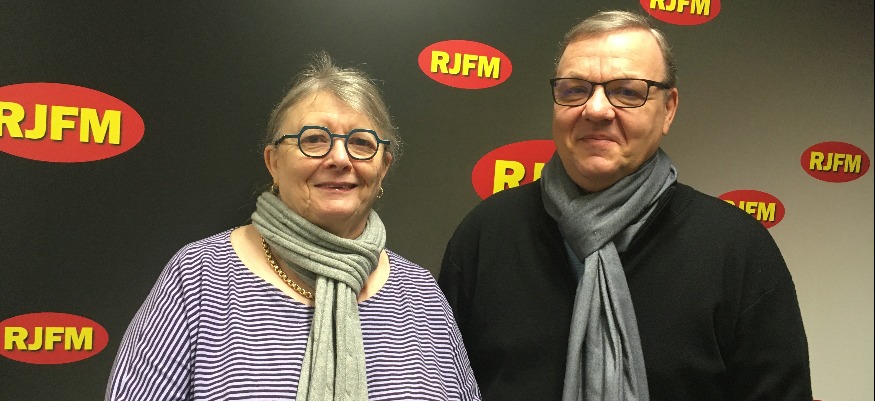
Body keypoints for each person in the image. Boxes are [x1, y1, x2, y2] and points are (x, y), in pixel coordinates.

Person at [438, 10, 811, 401]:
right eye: (574, 90)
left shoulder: (737, 250)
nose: (596, 110)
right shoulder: (485, 236)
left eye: (628, 92)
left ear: (668, 109)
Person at [106, 52, 481, 401]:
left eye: (361, 143)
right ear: (273, 162)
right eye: (314, 139)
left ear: (382, 167)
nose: (340, 158)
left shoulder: (420, 294)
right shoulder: (199, 277)